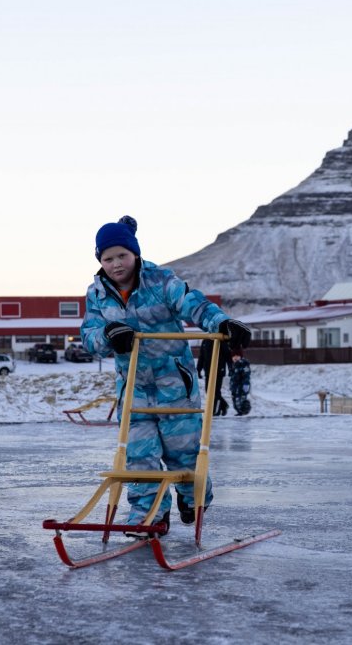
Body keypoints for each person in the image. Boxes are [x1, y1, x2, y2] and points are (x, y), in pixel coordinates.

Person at [80, 215, 251, 536]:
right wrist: (108, 335)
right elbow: (90, 337)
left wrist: (223, 323)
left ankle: (193, 498)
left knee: (183, 453)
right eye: (108, 258)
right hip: (133, 388)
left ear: (135, 254)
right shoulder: (97, 294)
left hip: (174, 384)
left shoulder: (160, 281)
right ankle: (150, 517)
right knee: (139, 456)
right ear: (99, 260)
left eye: (122, 256)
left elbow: (193, 304)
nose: (116, 264)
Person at [196, 338, 232, 416]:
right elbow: (201, 356)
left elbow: (228, 355)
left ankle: (215, 410)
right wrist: (198, 369)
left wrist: (230, 368)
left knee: (215, 391)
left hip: (219, 370)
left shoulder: (220, 340)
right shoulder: (205, 341)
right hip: (208, 371)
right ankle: (223, 405)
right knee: (208, 391)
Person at [230, 348, 252, 416]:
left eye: (237, 356)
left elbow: (246, 375)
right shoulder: (234, 365)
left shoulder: (243, 364)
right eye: (234, 356)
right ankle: (239, 412)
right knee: (235, 402)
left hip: (241, 387)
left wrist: (246, 384)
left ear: (241, 357)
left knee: (240, 400)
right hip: (234, 387)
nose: (235, 357)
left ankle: (244, 411)